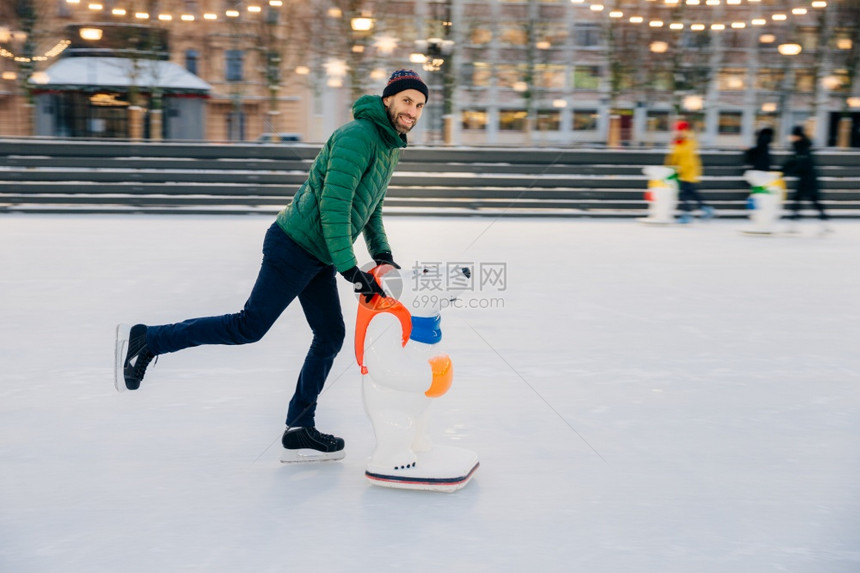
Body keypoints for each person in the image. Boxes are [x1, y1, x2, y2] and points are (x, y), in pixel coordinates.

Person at [115, 69, 429, 462]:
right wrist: (350, 268)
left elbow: (371, 208)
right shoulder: (358, 137)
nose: (412, 111)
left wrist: (382, 255)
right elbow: (335, 206)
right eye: (406, 101)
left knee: (330, 334)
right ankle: (149, 339)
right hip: (294, 246)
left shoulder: (387, 147)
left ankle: (299, 427)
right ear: (388, 100)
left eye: (419, 105)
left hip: (319, 254)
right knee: (249, 327)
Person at [664, 120, 715, 224]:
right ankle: (705, 208)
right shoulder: (679, 141)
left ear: (683, 130)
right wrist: (668, 167)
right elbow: (673, 157)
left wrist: (678, 169)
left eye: (678, 129)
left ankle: (687, 214)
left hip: (687, 172)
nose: (675, 132)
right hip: (681, 171)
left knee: (684, 194)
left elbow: (684, 157)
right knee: (690, 192)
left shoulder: (688, 140)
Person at [782, 125, 830, 233]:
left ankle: (824, 224)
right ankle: (794, 224)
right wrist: (783, 170)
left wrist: (789, 171)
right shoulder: (799, 147)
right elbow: (793, 161)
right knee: (800, 200)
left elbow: (802, 164)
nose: (792, 138)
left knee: (812, 201)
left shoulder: (803, 148)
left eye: (793, 135)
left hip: (809, 179)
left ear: (798, 136)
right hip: (804, 178)